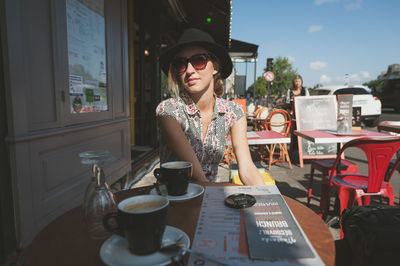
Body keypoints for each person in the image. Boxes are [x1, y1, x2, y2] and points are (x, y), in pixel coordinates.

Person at [156, 28, 264, 185]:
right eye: (181, 64)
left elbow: (247, 168)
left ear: (215, 67)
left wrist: (267, 199)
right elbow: (195, 173)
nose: (190, 70)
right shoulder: (168, 110)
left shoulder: (233, 112)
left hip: (212, 193)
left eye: (198, 60)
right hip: (175, 198)